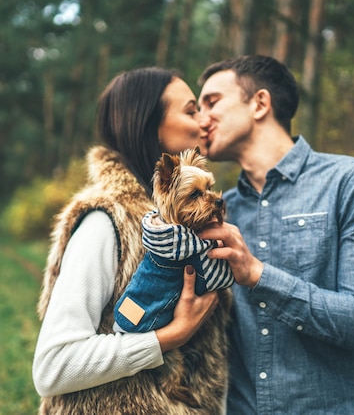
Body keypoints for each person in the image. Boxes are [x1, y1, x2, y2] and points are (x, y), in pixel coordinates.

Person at [196, 54, 354, 414]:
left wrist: (258, 276)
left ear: (260, 103)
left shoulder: (351, 182)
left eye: (212, 102)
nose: (200, 119)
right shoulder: (217, 211)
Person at [32, 67, 230, 414]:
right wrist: (169, 337)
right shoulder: (106, 219)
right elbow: (53, 365)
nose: (204, 121)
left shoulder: (184, 228)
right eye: (190, 110)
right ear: (148, 125)